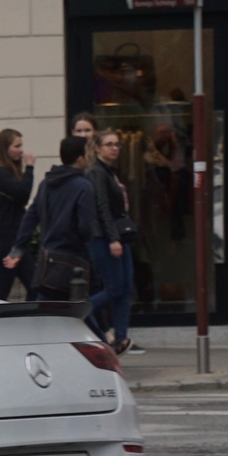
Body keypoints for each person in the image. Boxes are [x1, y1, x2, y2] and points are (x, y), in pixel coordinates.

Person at [4, 135, 103, 304]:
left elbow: (31, 216)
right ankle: (103, 331)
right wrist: (88, 238)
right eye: (87, 153)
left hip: (49, 258)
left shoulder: (47, 183)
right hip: (74, 257)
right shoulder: (83, 186)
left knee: (52, 303)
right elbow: (85, 226)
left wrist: (18, 248)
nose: (89, 157)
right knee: (78, 305)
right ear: (80, 159)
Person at [89, 128, 138, 353]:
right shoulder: (97, 172)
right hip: (106, 237)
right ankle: (85, 312)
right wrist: (112, 238)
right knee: (114, 288)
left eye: (117, 144)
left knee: (125, 288)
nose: (114, 148)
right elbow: (101, 208)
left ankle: (121, 337)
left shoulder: (110, 172)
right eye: (109, 144)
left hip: (118, 235)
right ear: (98, 148)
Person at [0, 129, 36, 301]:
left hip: (14, 238)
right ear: (5, 148)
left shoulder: (6, 172)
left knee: (34, 286)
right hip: (3, 239)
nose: (21, 150)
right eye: (17, 146)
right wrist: (30, 167)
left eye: (21, 145)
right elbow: (23, 194)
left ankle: (29, 322)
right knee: (2, 290)